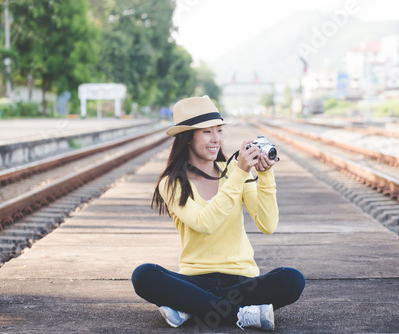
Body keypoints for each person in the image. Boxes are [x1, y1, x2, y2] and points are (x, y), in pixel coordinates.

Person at [131, 96, 305, 331]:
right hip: (193, 281)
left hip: (241, 281)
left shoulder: (235, 172)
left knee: (292, 279)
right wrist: (239, 173)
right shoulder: (172, 183)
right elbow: (205, 223)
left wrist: (264, 175)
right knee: (144, 275)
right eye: (207, 132)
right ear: (187, 138)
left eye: (219, 130)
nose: (216, 139)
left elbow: (267, 224)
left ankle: (190, 308)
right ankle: (242, 314)